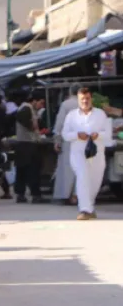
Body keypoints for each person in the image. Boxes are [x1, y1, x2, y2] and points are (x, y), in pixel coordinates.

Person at [62, 87, 112, 220]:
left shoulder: (100, 114)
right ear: (78, 100)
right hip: (78, 153)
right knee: (82, 177)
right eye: (82, 99)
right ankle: (84, 209)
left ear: (91, 99)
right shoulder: (71, 115)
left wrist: (98, 135)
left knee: (95, 181)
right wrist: (77, 135)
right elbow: (65, 134)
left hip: (96, 153)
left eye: (87, 98)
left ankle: (89, 207)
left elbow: (108, 133)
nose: (85, 101)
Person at [14, 92, 49, 204]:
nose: (42, 106)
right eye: (41, 103)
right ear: (34, 100)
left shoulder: (29, 109)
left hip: (23, 144)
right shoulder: (26, 108)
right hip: (28, 145)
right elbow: (20, 118)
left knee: (22, 171)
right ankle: (35, 195)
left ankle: (21, 194)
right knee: (32, 171)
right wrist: (32, 126)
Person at [52, 84, 81, 205]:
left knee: (68, 168)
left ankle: (67, 194)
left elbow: (60, 124)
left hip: (68, 141)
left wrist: (57, 140)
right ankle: (77, 195)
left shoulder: (66, 104)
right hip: (83, 140)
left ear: (70, 91)